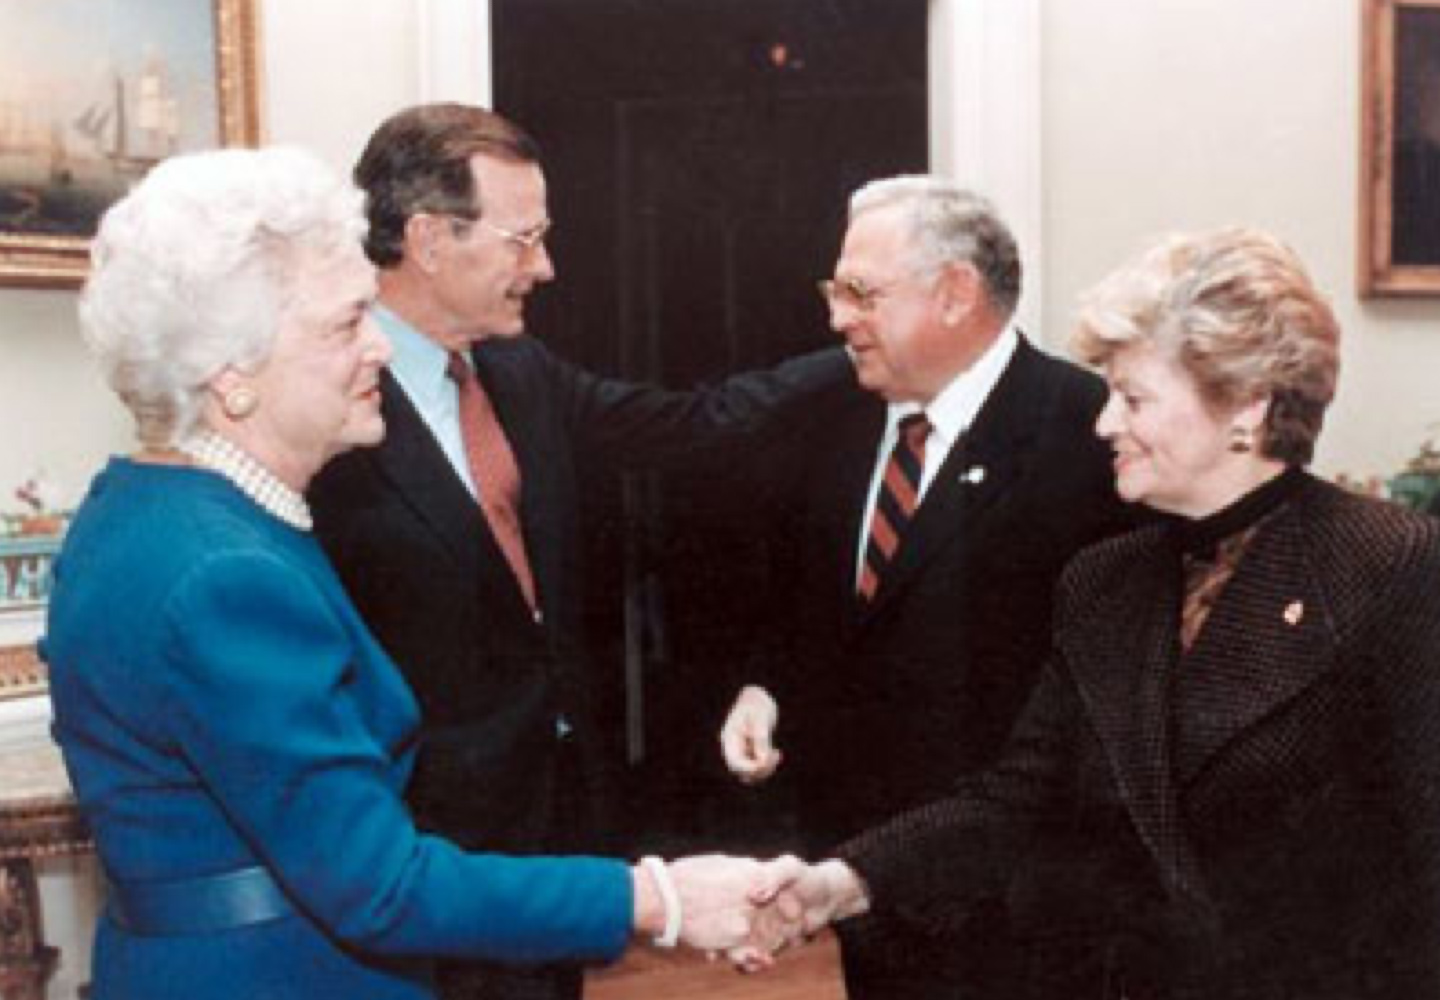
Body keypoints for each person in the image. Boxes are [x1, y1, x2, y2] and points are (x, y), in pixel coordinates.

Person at [42, 147, 802, 1000]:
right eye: (342, 324)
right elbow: (381, 887)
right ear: (232, 375)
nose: (378, 347)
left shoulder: (138, 510)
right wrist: (659, 897)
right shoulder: (224, 576)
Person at [768, 227, 1440, 999]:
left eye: (1134, 398)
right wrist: (839, 883)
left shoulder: (1393, 564)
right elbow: (1015, 800)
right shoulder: (1104, 580)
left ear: (1246, 410)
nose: (1103, 425)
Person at [304, 102, 853, 1000]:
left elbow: (692, 427)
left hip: (559, 817)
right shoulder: (322, 397)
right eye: (523, 240)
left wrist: (863, 352)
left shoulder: (519, 373)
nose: (545, 267)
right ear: (430, 239)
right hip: (416, 847)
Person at [716, 177, 1128, 999]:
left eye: (862, 293)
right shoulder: (830, 412)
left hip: (1019, 897)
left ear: (955, 294)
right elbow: (811, 600)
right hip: (864, 872)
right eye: (836, 291)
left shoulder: (1087, 433)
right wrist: (766, 686)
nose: (838, 319)